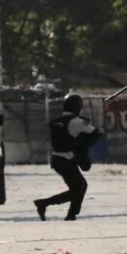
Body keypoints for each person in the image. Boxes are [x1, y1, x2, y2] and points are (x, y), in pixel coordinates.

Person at [34, 93, 101, 221]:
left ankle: (70, 213)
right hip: (67, 160)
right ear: (77, 107)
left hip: (57, 160)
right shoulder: (77, 122)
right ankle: (45, 204)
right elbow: (95, 133)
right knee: (79, 188)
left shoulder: (57, 121)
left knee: (80, 187)